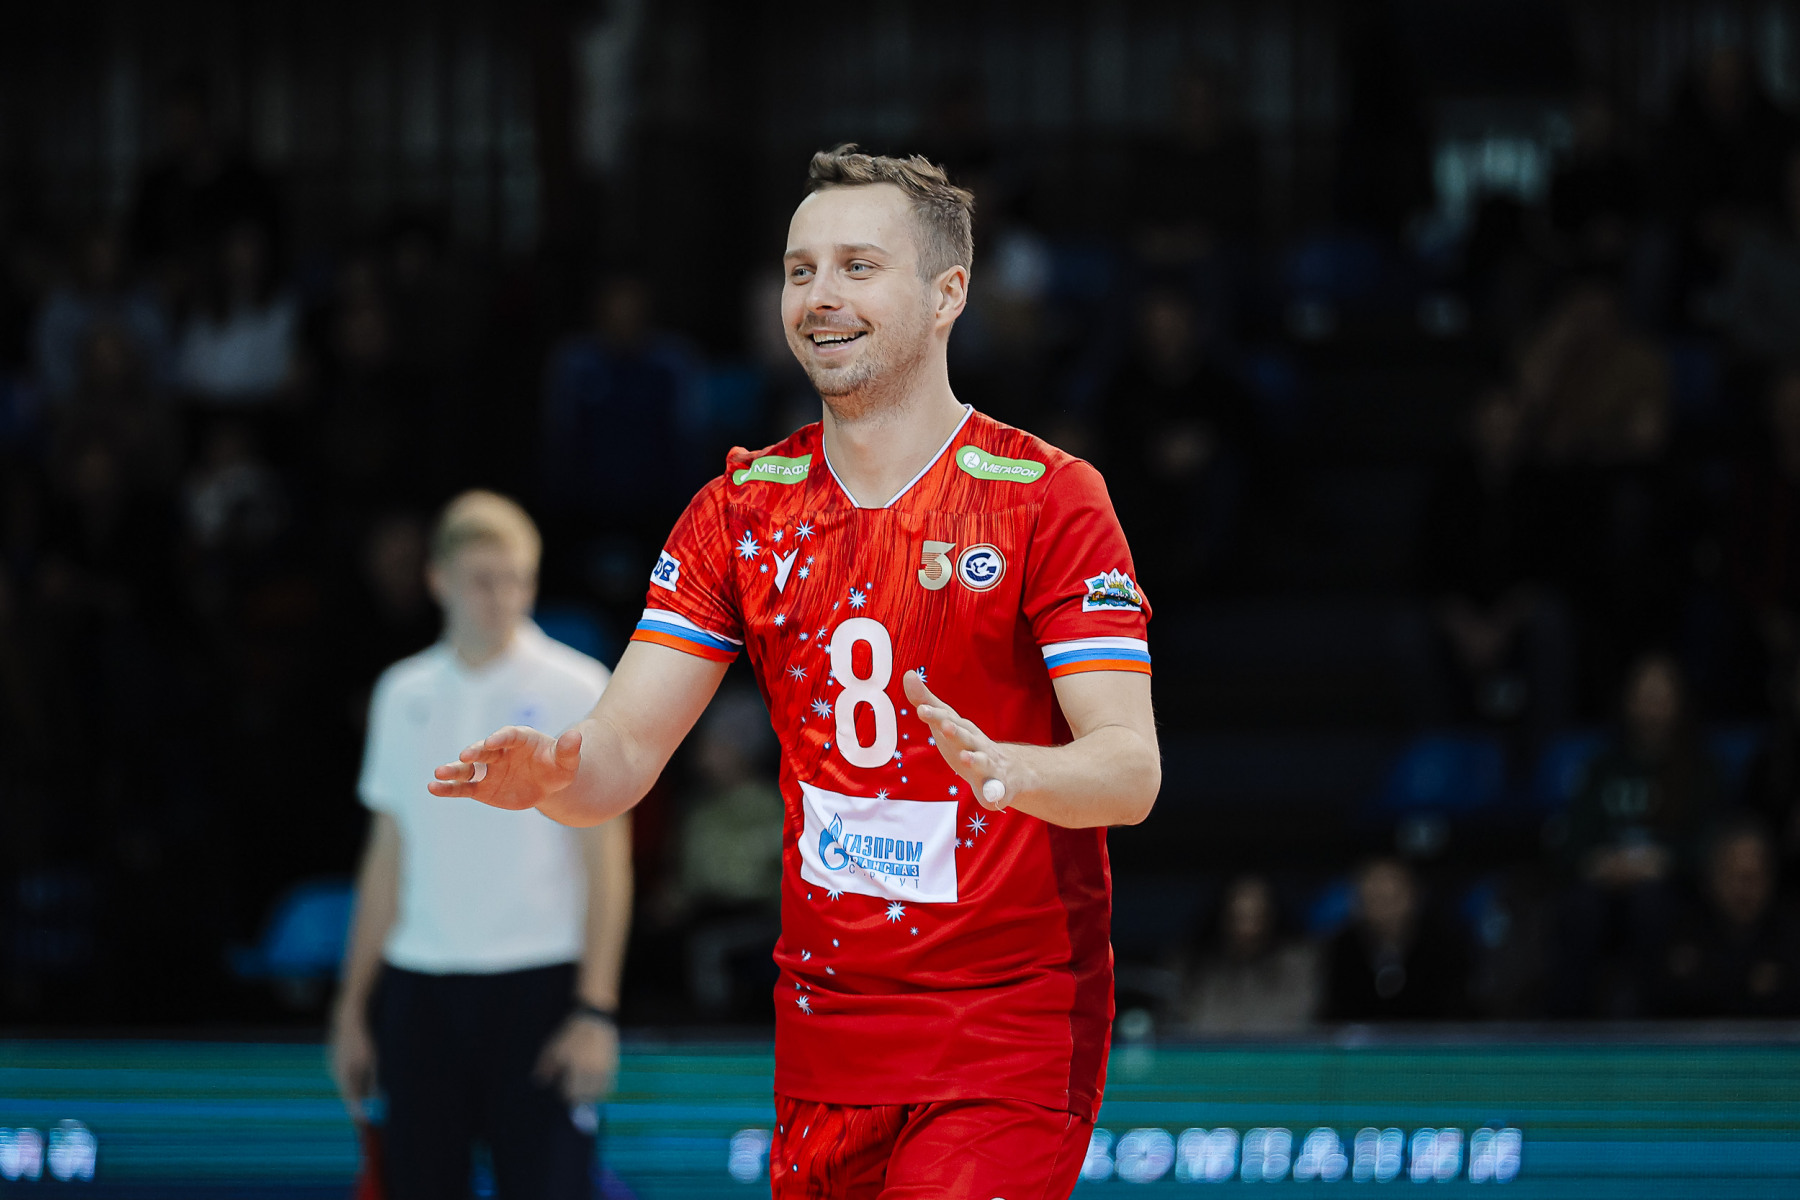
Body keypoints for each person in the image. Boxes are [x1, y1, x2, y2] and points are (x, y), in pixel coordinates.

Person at [430, 146, 1161, 1200]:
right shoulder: (741, 511)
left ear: (948, 294)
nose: (820, 296)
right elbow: (622, 754)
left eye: (859, 266)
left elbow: (1129, 770)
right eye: (800, 269)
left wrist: (1010, 771)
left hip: (1005, 1028)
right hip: (825, 1035)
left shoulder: (1046, 499)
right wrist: (555, 772)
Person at [330, 491, 631, 1200]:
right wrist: (352, 1008)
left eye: (516, 579)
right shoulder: (401, 692)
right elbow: (387, 857)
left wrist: (595, 1011)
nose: (501, 597)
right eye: (482, 580)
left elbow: (606, 859)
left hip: (539, 988)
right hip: (419, 991)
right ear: (438, 580)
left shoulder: (578, 687)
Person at [1547, 653, 1719, 1016]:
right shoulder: (1602, 768)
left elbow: (1708, 846)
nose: (1652, 709)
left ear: (1679, 702)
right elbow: (1571, 843)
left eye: (1661, 697)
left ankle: (1655, 1023)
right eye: (1644, 697)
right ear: (1628, 702)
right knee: (1579, 910)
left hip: (1671, 891)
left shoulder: (1700, 770)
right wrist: (1601, 864)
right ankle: (1570, 1026)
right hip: (1603, 887)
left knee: (1650, 906)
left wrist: (1662, 861)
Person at [1660, 821, 1800, 1016]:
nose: (1745, 890)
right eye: (1734, 876)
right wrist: (1747, 982)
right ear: (1710, 878)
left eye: (1754, 877)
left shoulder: (1790, 934)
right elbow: (1671, 997)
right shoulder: (1680, 931)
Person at [1320, 859, 1468, 1022]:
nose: (1384, 910)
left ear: (1413, 897)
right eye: (1373, 899)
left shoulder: (1443, 945)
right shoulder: (1343, 947)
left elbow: (1454, 1011)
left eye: (1390, 899)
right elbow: (1335, 1012)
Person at [1174, 874, 1318, 1034]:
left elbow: (1294, 1022)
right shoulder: (1194, 965)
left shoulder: (1297, 964)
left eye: (1256, 917)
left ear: (1272, 916)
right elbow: (1189, 1022)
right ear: (1223, 915)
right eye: (1239, 917)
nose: (1248, 930)